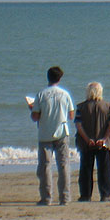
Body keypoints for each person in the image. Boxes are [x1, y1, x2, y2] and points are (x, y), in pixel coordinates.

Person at [30, 66, 75, 205]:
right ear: (59, 79)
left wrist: (32, 109)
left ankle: (47, 197)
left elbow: (35, 117)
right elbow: (71, 115)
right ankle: (65, 198)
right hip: (61, 133)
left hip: (45, 134)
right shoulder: (65, 94)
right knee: (63, 165)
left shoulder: (41, 94)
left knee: (45, 167)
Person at [75, 82, 110, 202]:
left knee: (86, 169)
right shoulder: (108, 106)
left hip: (86, 143)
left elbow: (78, 125)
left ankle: (86, 195)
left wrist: (87, 139)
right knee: (105, 169)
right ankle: (105, 194)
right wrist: (104, 138)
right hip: (103, 143)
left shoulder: (81, 107)